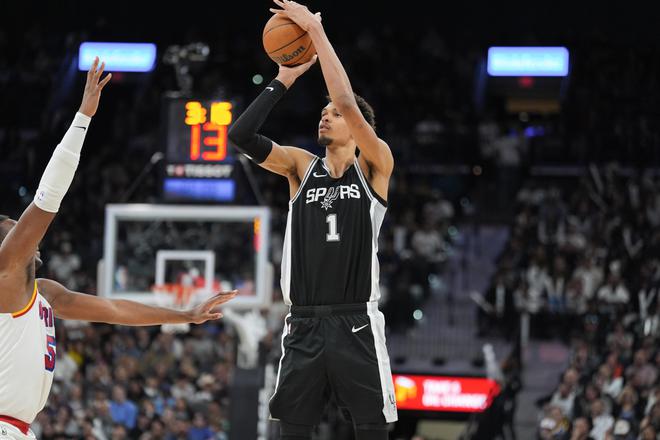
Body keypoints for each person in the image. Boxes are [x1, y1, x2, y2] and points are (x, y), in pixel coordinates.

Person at [0, 58, 237, 440]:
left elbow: (114, 310)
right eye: (15, 230)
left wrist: (184, 315)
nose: (29, 235)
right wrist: (83, 118)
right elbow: (48, 196)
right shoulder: (5, 273)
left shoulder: (44, 293)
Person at [228, 1, 397, 439]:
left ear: (358, 130)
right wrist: (283, 78)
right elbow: (240, 136)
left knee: (372, 430)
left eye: (335, 115)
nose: (326, 114)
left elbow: (346, 100)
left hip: (356, 321)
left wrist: (315, 32)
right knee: (292, 432)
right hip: (302, 321)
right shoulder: (300, 167)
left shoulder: (374, 165)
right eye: (323, 112)